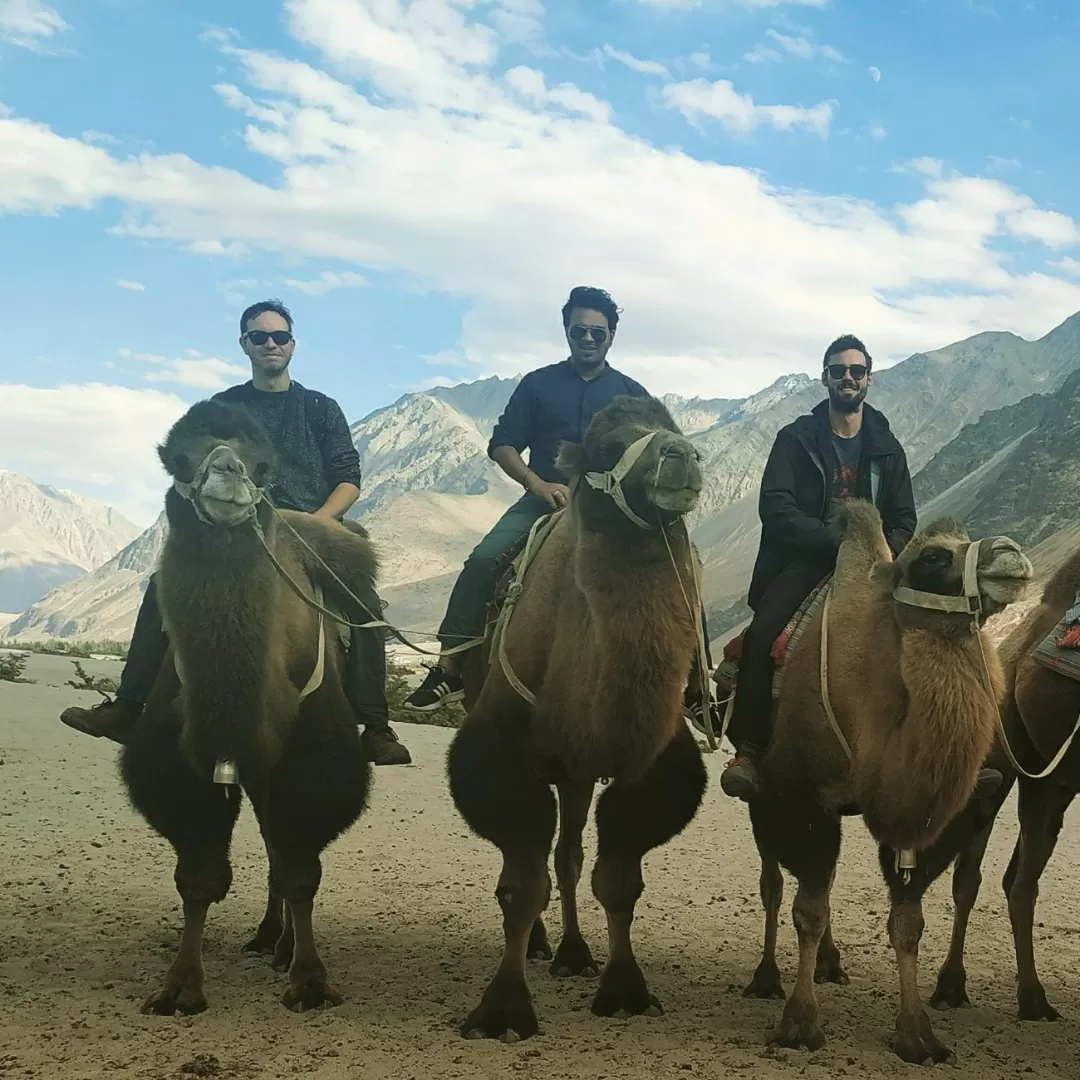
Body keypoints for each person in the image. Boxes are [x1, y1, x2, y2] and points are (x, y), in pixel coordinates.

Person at [59, 299, 412, 767]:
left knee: (362, 599)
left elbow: (349, 478)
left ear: (293, 344)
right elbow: (190, 473)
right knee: (161, 587)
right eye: (259, 336)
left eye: (280, 337)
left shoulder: (320, 408)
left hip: (312, 522)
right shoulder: (221, 410)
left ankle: (374, 725)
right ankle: (129, 707)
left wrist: (315, 523)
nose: (271, 344)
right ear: (244, 344)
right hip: (237, 524)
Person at [403, 285, 717, 727]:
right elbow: (503, 444)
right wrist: (536, 483)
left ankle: (698, 688)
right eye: (579, 331)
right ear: (567, 332)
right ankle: (450, 667)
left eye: (597, 332)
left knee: (684, 567)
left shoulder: (634, 395)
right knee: (484, 560)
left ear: (612, 335)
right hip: (545, 501)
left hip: (614, 514)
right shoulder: (538, 384)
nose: (588, 339)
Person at [719, 334, 917, 800]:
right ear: (824, 377)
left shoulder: (889, 448)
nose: (847, 378)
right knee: (763, 635)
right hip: (805, 559)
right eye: (838, 370)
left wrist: (878, 551)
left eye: (856, 370)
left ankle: (928, 749)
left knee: (929, 636)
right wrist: (832, 541)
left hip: (872, 566)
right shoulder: (795, 439)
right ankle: (748, 749)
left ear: (869, 378)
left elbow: (906, 517)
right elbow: (777, 505)